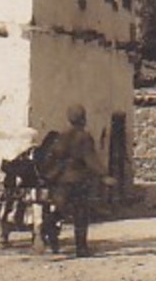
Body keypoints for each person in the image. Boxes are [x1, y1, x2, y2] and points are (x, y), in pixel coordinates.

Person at [44, 104, 110, 257]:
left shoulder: (62, 136)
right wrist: (103, 174)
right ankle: (81, 248)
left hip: (61, 180)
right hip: (79, 179)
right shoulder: (84, 137)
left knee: (61, 209)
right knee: (80, 213)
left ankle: (47, 226)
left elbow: (53, 156)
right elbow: (90, 158)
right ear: (83, 118)